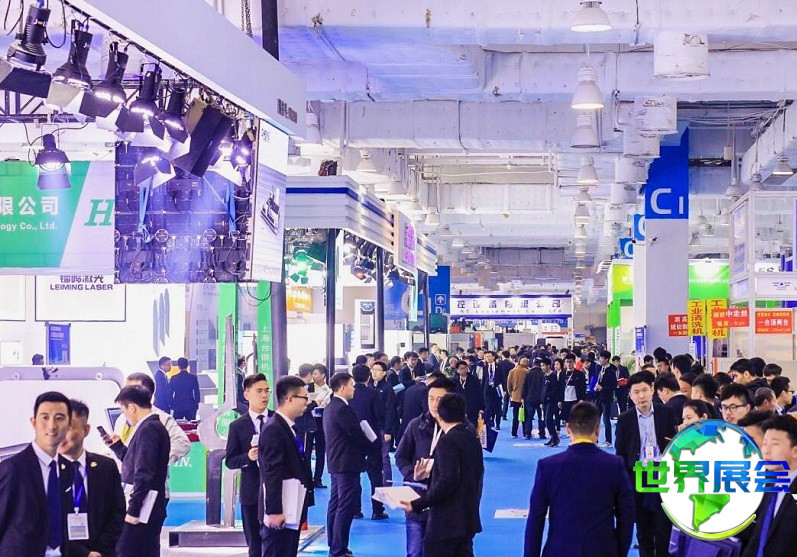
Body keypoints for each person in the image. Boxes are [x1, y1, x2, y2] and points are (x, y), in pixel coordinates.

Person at [524, 401, 634, 557]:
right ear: (598, 429)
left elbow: (536, 518)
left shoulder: (548, 466)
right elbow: (626, 515)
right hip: (602, 550)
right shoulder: (614, 465)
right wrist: (619, 552)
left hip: (559, 551)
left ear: (568, 429)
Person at [399, 393, 484, 557]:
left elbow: (448, 481)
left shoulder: (447, 441)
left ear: (440, 414)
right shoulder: (472, 437)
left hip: (446, 522)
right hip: (468, 516)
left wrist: (417, 504)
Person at [0, 392, 75, 557]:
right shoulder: (13, 469)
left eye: (60, 418)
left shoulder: (69, 469)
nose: (52, 425)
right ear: (33, 422)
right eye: (45, 417)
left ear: (69, 424)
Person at [615, 371, 677, 557]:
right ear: (630, 395)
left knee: (664, 527)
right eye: (636, 392)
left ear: (652, 390)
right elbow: (621, 452)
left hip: (663, 472)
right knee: (643, 529)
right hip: (638, 474)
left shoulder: (666, 413)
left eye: (644, 390)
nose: (641, 396)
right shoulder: (625, 419)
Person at [395, 377, 456, 557]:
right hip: (417, 500)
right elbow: (400, 456)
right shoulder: (416, 425)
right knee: (415, 552)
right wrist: (412, 474)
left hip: (446, 504)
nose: (434, 404)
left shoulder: (458, 430)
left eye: (440, 399)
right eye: (431, 398)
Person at [60, 399, 125, 557]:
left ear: (86, 430)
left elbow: (117, 512)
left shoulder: (105, 466)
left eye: (68, 428)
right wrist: (82, 553)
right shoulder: (43, 471)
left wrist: (99, 551)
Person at [259, 376, 315, 557]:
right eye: (304, 398)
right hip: (282, 509)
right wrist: (274, 511)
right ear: (290, 399)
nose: (307, 402)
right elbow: (272, 472)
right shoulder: (274, 429)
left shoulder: (288, 427)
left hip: (292, 506)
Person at [114, 385, 170, 557]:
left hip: (145, 507)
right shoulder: (150, 427)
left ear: (132, 407)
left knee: (127, 550)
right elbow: (136, 463)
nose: (124, 415)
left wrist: (134, 509)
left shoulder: (148, 429)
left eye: (123, 410)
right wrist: (117, 447)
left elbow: (144, 472)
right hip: (149, 505)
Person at [323, 372, 374, 557]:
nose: (354, 389)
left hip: (336, 461)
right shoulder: (343, 409)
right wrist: (370, 446)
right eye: (352, 385)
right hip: (347, 463)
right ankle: (339, 549)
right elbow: (355, 434)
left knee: (335, 503)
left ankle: (333, 543)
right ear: (343, 387)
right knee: (345, 505)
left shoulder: (330, 407)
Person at [224, 373, 273, 557]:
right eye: (259, 391)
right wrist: (248, 457)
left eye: (267, 391)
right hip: (251, 492)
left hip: (276, 491)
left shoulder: (278, 420)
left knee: (277, 543)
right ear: (247, 394)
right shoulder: (237, 426)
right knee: (254, 543)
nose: (264, 395)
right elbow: (230, 461)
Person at [107, 373, 190, 471]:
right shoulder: (122, 417)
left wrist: (153, 461)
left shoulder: (162, 419)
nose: (126, 393)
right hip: (122, 475)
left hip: (147, 477)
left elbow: (182, 443)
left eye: (132, 389)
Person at [740, 415, 797, 557]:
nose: (766, 450)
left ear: (795, 451)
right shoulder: (770, 483)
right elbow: (758, 538)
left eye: (775, 444)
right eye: (765, 443)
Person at [349, 364, 388, 520]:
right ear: (368, 376)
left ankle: (355, 509)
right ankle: (377, 509)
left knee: (354, 475)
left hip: (353, 439)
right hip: (372, 439)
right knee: (376, 475)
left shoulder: (349, 394)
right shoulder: (373, 393)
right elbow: (380, 414)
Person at [369, 360, 397, 485]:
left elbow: (390, 410)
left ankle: (387, 483)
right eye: (373, 370)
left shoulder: (387, 388)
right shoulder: (369, 386)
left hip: (383, 427)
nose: (374, 372)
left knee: (384, 456)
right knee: (373, 456)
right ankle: (376, 482)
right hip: (371, 428)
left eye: (378, 370)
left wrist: (388, 430)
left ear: (384, 373)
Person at [306, 364, 332, 488]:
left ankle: (318, 479)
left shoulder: (329, 390)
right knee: (307, 451)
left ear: (323, 375)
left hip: (322, 422)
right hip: (309, 421)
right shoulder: (308, 387)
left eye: (316, 373)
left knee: (321, 452)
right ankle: (307, 478)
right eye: (313, 373)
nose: (314, 376)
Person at [594, 350, 617, 447]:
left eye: (601, 358)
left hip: (607, 398)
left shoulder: (611, 371)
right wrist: (596, 387)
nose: (600, 359)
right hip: (599, 397)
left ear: (606, 359)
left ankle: (608, 440)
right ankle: (595, 439)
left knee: (606, 419)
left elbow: (613, 386)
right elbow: (599, 380)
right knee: (596, 418)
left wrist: (602, 388)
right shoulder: (600, 368)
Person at [453, 360, 485, 426]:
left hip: (473, 409)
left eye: (465, 367)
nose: (464, 370)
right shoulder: (454, 381)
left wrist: (481, 408)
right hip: (459, 410)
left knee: (472, 428)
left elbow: (480, 394)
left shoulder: (474, 380)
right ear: (457, 370)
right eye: (461, 368)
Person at [522, 358, 546, 440]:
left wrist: (523, 397)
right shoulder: (543, 374)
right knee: (541, 417)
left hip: (529, 398)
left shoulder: (528, 373)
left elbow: (525, 386)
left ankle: (527, 433)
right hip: (540, 399)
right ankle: (542, 433)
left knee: (529, 417)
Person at [507, 357, 530, 438]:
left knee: (515, 416)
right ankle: (525, 433)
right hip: (525, 397)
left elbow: (508, 384)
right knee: (525, 416)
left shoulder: (512, 371)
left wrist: (511, 394)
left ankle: (514, 433)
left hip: (515, 396)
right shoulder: (528, 372)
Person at [560, 353, 587, 423]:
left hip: (576, 400)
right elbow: (560, 387)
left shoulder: (580, 374)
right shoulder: (562, 374)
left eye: (570, 362)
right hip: (565, 400)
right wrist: (559, 400)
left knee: (576, 419)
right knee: (566, 419)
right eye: (567, 362)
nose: (569, 364)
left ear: (574, 362)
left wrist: (582, 399)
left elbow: (583, 387)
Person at [482, 351, 503, 430]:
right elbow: (483, 379)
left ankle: (498, 423)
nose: (487, 358)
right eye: (486, 357)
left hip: (497, 388)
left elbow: (503, 378)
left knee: (498, 407)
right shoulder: (484, 367)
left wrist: (504, 390)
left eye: (489, 356)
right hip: (487, 389)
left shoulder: (499, 366)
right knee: (488, 407)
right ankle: (489, 423)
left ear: (493, 357)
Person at [541, 361, 560, 447]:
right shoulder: (545, 376)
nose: (542, 367)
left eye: (543, 365)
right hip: (545, 401)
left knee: (548, 419)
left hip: (552, 401)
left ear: (548, 366)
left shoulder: (553, 376)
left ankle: (555, 438)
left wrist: (548, 397)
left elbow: (555, 389)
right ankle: (553, 438)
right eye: (541, 365)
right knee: (547, 420)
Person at [498, 350, 514, 420]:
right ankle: (504, 414)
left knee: (499, 400)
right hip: (509, 383)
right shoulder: (512, 364)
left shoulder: (499, 364)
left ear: (502, 355)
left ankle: (500, 412)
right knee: (506, 400)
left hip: (500, 384)